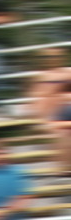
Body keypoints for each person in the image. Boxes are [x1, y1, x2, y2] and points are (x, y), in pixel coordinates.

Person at [28, 47, 71, 175]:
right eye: (48, 57)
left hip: (64, 113)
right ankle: (64, 169)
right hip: (53, 117)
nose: (52, 59)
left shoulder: (68, 73)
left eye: (55, 56)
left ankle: (65, 169)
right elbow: (35, 101)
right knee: (62, 135)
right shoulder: (40, 77)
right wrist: (40, 120)